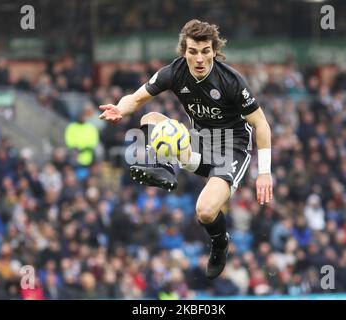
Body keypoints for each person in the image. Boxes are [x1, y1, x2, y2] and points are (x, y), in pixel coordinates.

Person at [99, 19, 273, 279]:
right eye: (193, 51)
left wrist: (265, 172)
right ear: (184, 52)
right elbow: (136, 98)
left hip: (231, 149)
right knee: (150, 119)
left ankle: (220, 242)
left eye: (205, 51)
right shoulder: (174, 72)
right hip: (199, 143)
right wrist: (119, 109)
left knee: (204, 211)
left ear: (214, 51)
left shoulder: (231, 81)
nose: (199, 58)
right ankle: (166, 167)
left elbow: (261, 123)